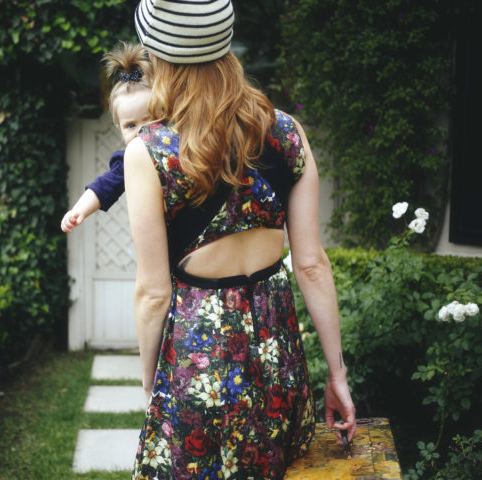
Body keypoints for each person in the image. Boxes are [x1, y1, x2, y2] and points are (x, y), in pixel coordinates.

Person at [125, 1, 357, 479]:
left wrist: (153, 387)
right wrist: (337, 375)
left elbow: (153, 294)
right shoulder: (286, 132)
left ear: (160, 60)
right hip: (280, 368)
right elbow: (311, 264)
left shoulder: (149, 151)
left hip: (199, 371)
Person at [60, 42, 152, 233]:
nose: (141, 130)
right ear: (120, 128)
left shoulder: (176, 145)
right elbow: (103, 187)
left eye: (149, 120)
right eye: (131, 125)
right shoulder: (129, 160)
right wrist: (78, 210)